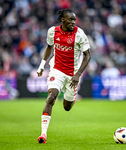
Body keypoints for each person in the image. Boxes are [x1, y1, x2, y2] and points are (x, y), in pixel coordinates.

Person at [36, 9, 91, 144]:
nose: (73, 22)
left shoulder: (79, 34)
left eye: (74, 19)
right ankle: (43, 134)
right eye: (70, 19)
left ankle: (71, 96)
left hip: (73, 75)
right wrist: (42, 64)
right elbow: (49, 47)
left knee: (67, 107)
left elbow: (88, 55)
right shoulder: (52, 31)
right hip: (57, 70)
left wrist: (78, 74)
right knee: (51, 97)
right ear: (63, 20)